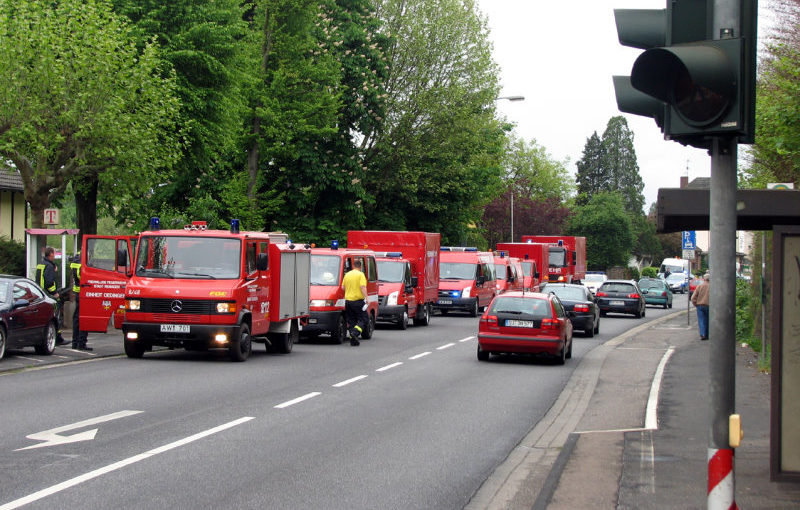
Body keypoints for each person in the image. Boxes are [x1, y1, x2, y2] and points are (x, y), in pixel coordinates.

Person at [35, 246, 66, 345]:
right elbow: (49, 282)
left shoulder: (42, 264)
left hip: (40, 293)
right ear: (51, 254)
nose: (55, 255)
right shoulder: (49, 266)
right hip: (49, 295)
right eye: (54, 253)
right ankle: (58, 338)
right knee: (56, 316)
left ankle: (55, 337)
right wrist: (55, 293)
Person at [341, 259, 368, 346]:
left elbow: (343, 287)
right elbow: (363, 287)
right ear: (360, 267)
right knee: (364, 319)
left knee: (351, 320)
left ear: (353, 266)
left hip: (348, 301)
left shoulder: (347, 275)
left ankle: (353, 340)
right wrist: (367, 298)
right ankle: (355, 333)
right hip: (358, 301)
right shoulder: (361, 274)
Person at [70, 252, 91, 351]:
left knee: (77, 318)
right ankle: (81, 343)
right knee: (83, 318)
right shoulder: (81, 263)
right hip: (83, 293)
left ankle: (75, 342)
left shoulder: (75, 260)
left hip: (78, 293)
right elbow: (83, 277)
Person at [691, 272, 710, 340]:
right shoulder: (713, 286)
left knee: (701, 320)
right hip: (709, 306)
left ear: (704, 279)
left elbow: (693, 297)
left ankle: (702, 334)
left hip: (700, 305)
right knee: (708, 320)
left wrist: (695, 304)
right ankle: (707, 334)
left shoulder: (700, 286)